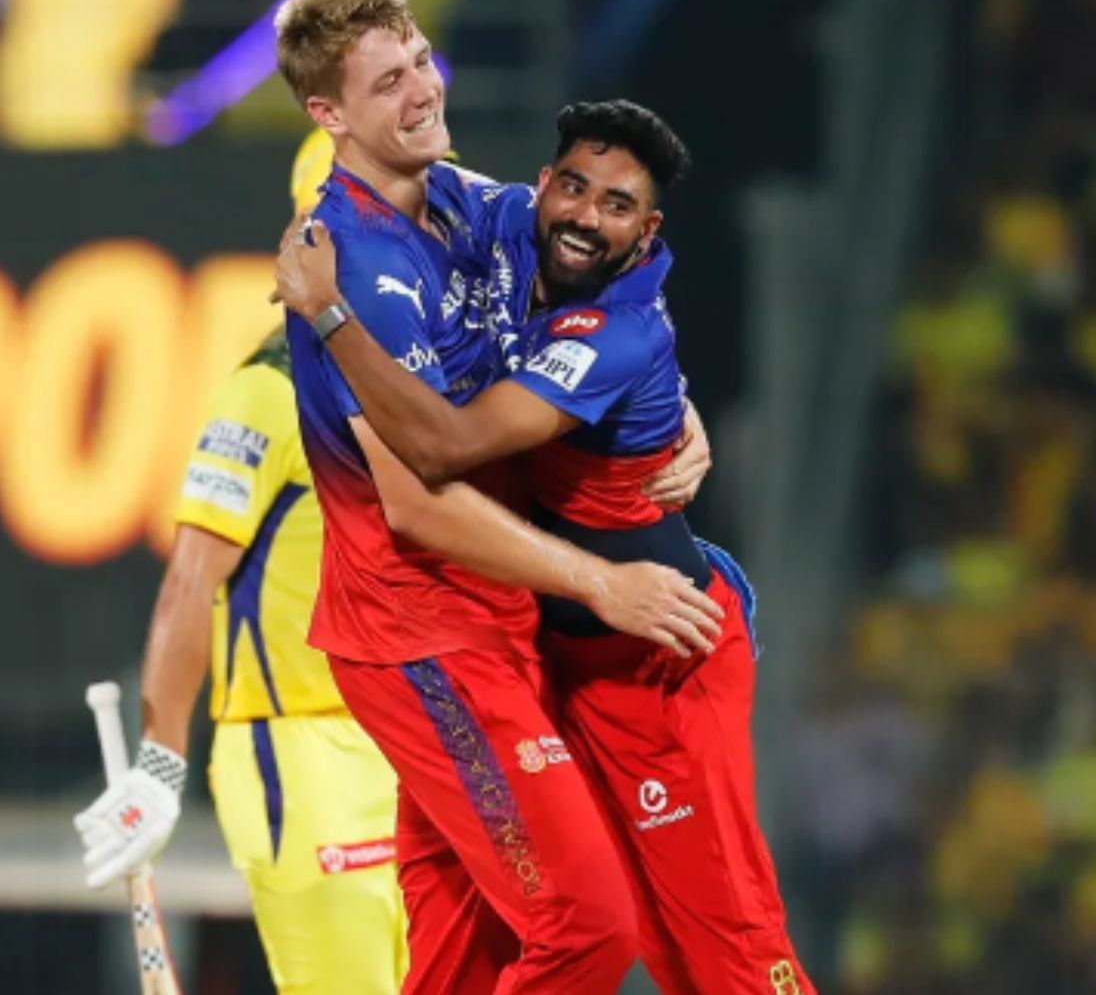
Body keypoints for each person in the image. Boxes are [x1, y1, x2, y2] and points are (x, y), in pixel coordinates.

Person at [274, 99, 815, 994]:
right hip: (532, 655)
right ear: (541, 186)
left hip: (653, 666)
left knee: (717, 942)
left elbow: (443, 451)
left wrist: (331, 314)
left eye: (615, 206)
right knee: (458, 922)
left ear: (648, 232)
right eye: (573, 187)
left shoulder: (619, 329)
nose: (583, 216)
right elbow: (373, 182)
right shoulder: (500, 233)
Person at [72, 133, 407, 995]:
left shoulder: (435, 380)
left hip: (421, 747)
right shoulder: (267, 387)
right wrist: (159, 766)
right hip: (305, 752)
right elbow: (191, 579)